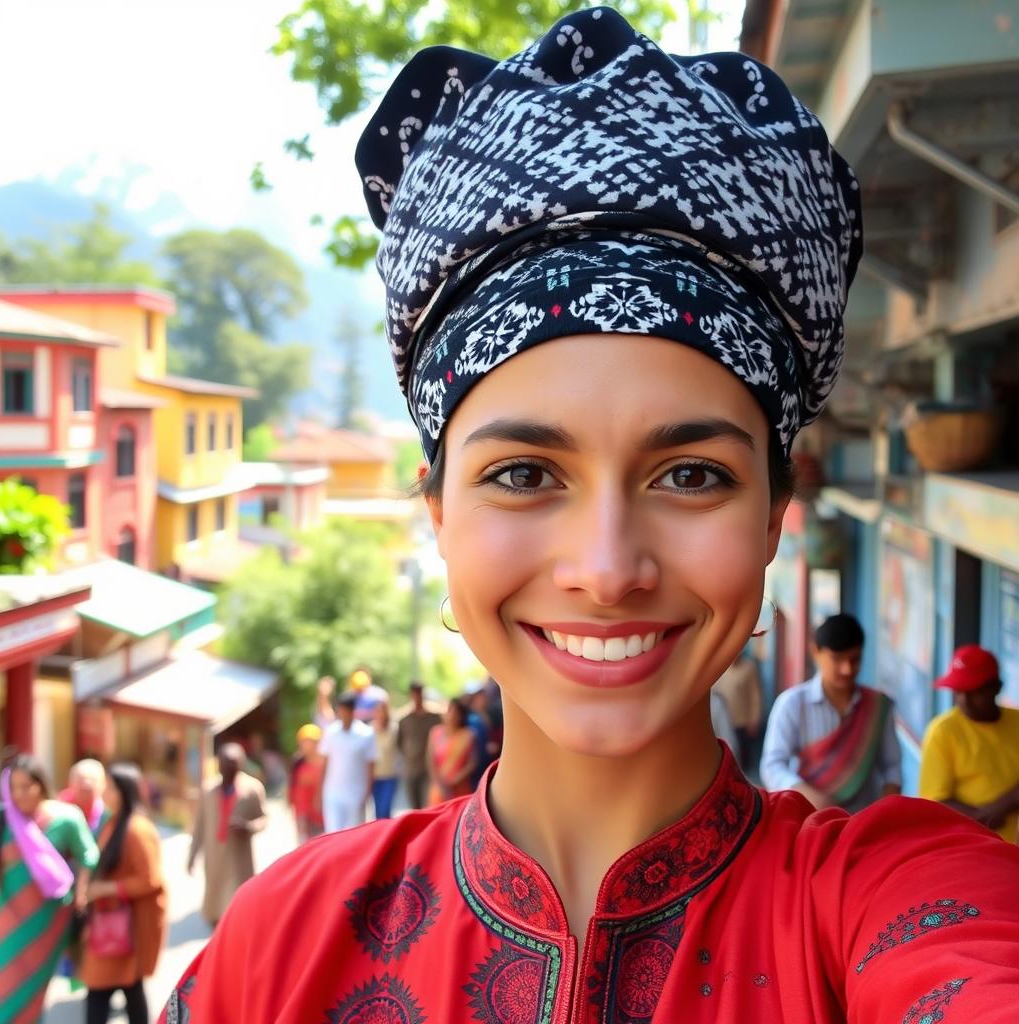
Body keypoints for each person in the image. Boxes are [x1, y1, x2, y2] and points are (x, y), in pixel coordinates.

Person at [161, 11, 1019, 1023]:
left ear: (776, 514)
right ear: (437, 512)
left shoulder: (889, 900)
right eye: (525, 473)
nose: (607, 569)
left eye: (692, 475)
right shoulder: (282, 945)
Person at [760, 614, 902, 812]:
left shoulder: (878, 707)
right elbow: (772, 766)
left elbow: (892, 767)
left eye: (855, 659)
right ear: (815, 652)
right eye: (837, 659)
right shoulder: (792, 704)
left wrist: (887, 806)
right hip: (809, 818)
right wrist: (810, 796)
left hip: (861, 822)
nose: (847, 669)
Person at [0, 753, 99, 1023]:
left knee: (32, 992)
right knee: (2, 987)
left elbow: (89, 854)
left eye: (26, 786)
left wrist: (82, 890)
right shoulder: (2, 819)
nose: (19, 794)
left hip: (48, 920)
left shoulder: (65, 818)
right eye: (13, 787)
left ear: (41, 784)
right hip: (5, 918)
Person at [80, 763, 166, 1024]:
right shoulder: (113, 823)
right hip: (112, 925)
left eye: (110, 788)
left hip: (126, 928)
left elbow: (151, 880)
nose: (104, 793)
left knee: (105, 990)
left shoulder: (138, 829)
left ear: (125, 791)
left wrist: (108, 888)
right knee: (129, 990)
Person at [920, 645, 1019, 843]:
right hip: (968, 847)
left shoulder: (1016, 722)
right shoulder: (942, 732)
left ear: (997, 687)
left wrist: (1004, 805)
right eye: (958, 691)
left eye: (974, 691)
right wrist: (986, 815)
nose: (964, 700)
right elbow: (936, 804)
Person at [187, 743, 267, 928]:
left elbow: (264, 818)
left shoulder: (252, 789)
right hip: (215, 857)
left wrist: (249, 827)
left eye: (233, 765)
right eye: (225, 764)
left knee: (238, 907)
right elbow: (199, 825)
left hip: (238, 859)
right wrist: (192, 855)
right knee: (214, 906)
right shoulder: (209, 790)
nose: (229, 769)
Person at [318, 692, 376, 832]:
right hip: (333, 792)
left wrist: (367, 792)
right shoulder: (331, 732)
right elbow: (324, 762)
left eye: (346, 710)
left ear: (352, 711)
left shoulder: (366, 733)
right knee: (333, 833)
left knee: (354, 834)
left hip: (356, 793)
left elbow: (371, 765)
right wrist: (320, 790)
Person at [713, 649, 763, 769]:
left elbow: (755, 695)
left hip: (741, 721)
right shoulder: (719, 667)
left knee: (742, 758)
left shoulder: (749, 668)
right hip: (720, 721)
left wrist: (754, 719)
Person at [395, 680, 442, 809]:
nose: (417, 697)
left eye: (419, 693)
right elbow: (399, 742)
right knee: (414, 806)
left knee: (429, 804)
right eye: (414, 694)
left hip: (429, 768)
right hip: (411, 768)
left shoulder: (434, 717)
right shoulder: (404, 719)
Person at [426, 697, 478, 805]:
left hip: (460, 789)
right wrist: (439, 782)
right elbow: (430, 760)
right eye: (450, 710)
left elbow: (472, 763)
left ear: (461, 715)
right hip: (438, 789)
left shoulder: (468, 735)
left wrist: (454, 781)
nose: (452, 715)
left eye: (456, 712)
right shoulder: (435, 732)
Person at [288, 724, 326, 843]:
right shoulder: (297, 763)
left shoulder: (325, 763)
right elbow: (291, 784)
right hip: (302, 812)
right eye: (303, 742)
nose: (306, 745)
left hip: (320, 811)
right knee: (304, 843)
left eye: (310, 741)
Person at [60, 758, 112, 838]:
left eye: (93, 780)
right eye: (81, 780)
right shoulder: (60, 807)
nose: (87, 785)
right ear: (70, 783)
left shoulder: (109, 811)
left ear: (103, 785)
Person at [370, 700, 399, 820]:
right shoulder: (370, 729)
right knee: (377, 811)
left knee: (385, 809)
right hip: (374, 776)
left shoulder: (394, 729)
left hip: (390, 775)